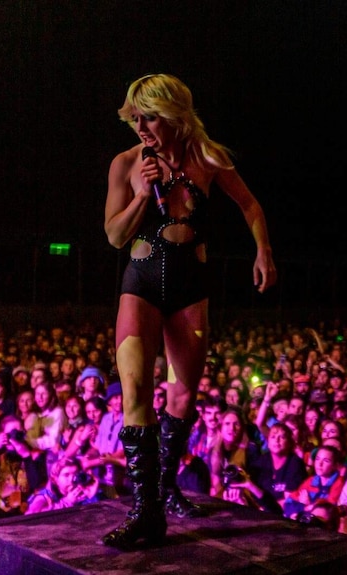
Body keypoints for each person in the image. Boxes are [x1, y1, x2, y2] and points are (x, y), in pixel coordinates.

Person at [102, 73, 276, 548]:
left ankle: (167, 488)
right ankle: (146, 512)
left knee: (182, 398)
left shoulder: (209, 159)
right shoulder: (125, 164)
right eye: (134, 117)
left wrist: (263, 252)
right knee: (135, 389)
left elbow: (251, 205)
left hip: (189, 288)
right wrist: (142, 195)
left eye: (150, 116)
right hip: (139, 284)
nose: (140, 126)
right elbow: (115, 236)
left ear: (175, 115)